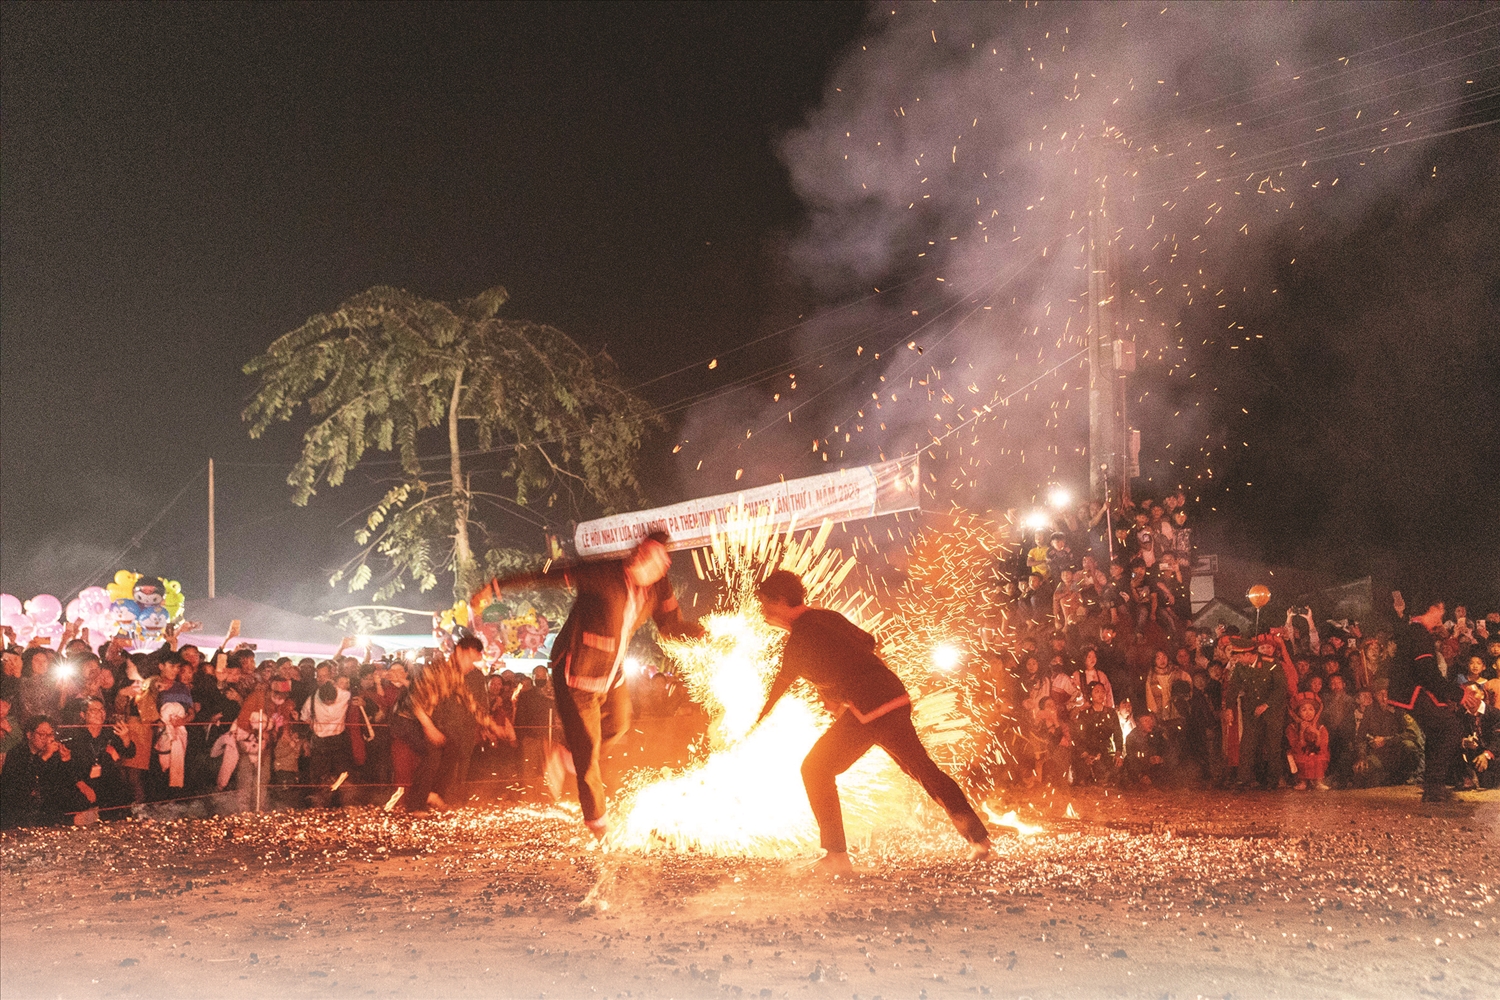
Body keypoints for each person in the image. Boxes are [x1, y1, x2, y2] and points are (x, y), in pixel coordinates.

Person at [753, 569, 991, 874]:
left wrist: (752, 724)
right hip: (894, 696)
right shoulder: (828, 617)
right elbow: (868, 640)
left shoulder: (799, 639)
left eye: (765, 603)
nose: (763, 611)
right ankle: (978, 838)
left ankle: (836, 857)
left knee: (816, 768)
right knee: (921, 768)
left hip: (870, 708)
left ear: (780, 600)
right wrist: (840, 685)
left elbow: (779, 688)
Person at [469, 532, 704, 838]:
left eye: (660, 560)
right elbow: (548, 577)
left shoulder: (659, 587)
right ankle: (598, 823)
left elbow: (671, 627)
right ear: (636, 553)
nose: (654, 565)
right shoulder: (603, 573)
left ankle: (565, 755)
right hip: (575, 672)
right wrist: (495, 587)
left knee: (620, 724)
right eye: (646, 556)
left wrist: (703, 635)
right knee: (588, 753)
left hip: (611, 672)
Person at [1387, 593, 1465, 802]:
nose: (1443, 614)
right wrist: (1458, 694)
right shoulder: (1419, 633)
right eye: (1442, 609)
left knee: (1437, 731)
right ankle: (1434, 785)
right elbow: (1427, 672)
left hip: (1411, 690)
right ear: (1434, 607)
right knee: (1451, 728)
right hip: (1412, 691)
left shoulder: (1416, 630)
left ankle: (1433, 788)